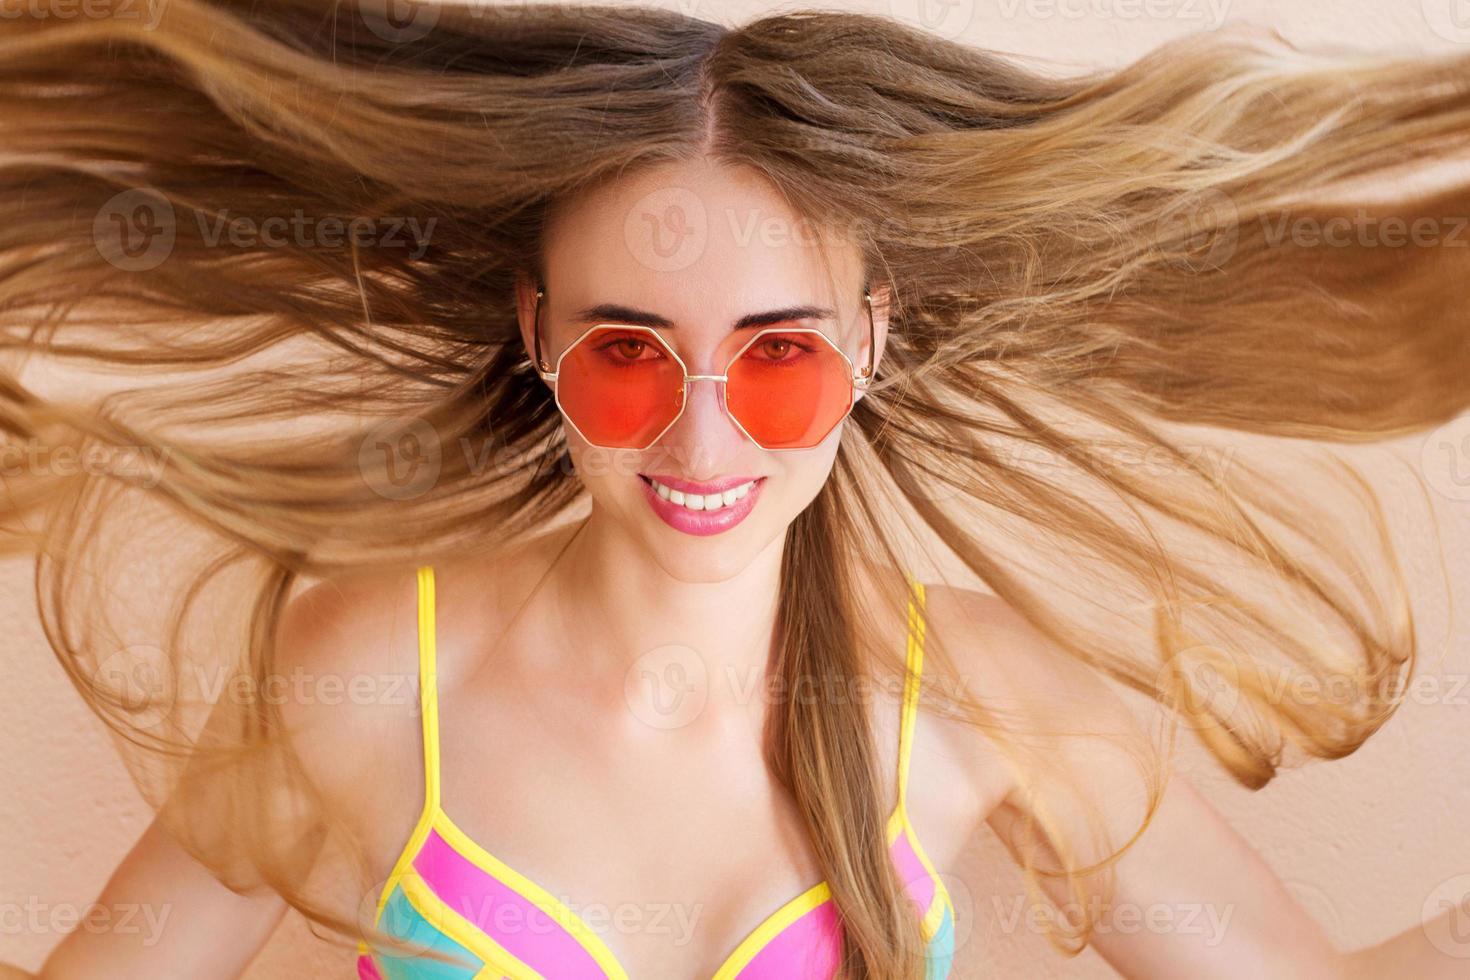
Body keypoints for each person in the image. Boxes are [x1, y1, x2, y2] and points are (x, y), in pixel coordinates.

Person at [2, 0, 1467, 977]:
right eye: (629, 353)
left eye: (778, 359)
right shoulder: (372, 674)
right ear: (537, 338)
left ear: (872, 342)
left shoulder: (975, 690)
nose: (703, 449)